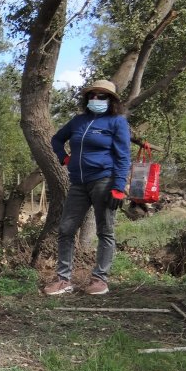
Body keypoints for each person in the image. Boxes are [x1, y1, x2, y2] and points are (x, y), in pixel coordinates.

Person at [45, 79, 130, 296]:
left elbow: (123, 156)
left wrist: (119, 186)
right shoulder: (78, 121)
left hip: (104, 181)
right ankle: (64, 279)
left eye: (101, 96)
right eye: (92, 95)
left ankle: (100, 279)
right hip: (78, 183)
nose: (96, 99)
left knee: (105, 231)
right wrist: (65, 158)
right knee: (65, 230)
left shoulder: (116, 123)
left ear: (110, 100)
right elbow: (56, 140)